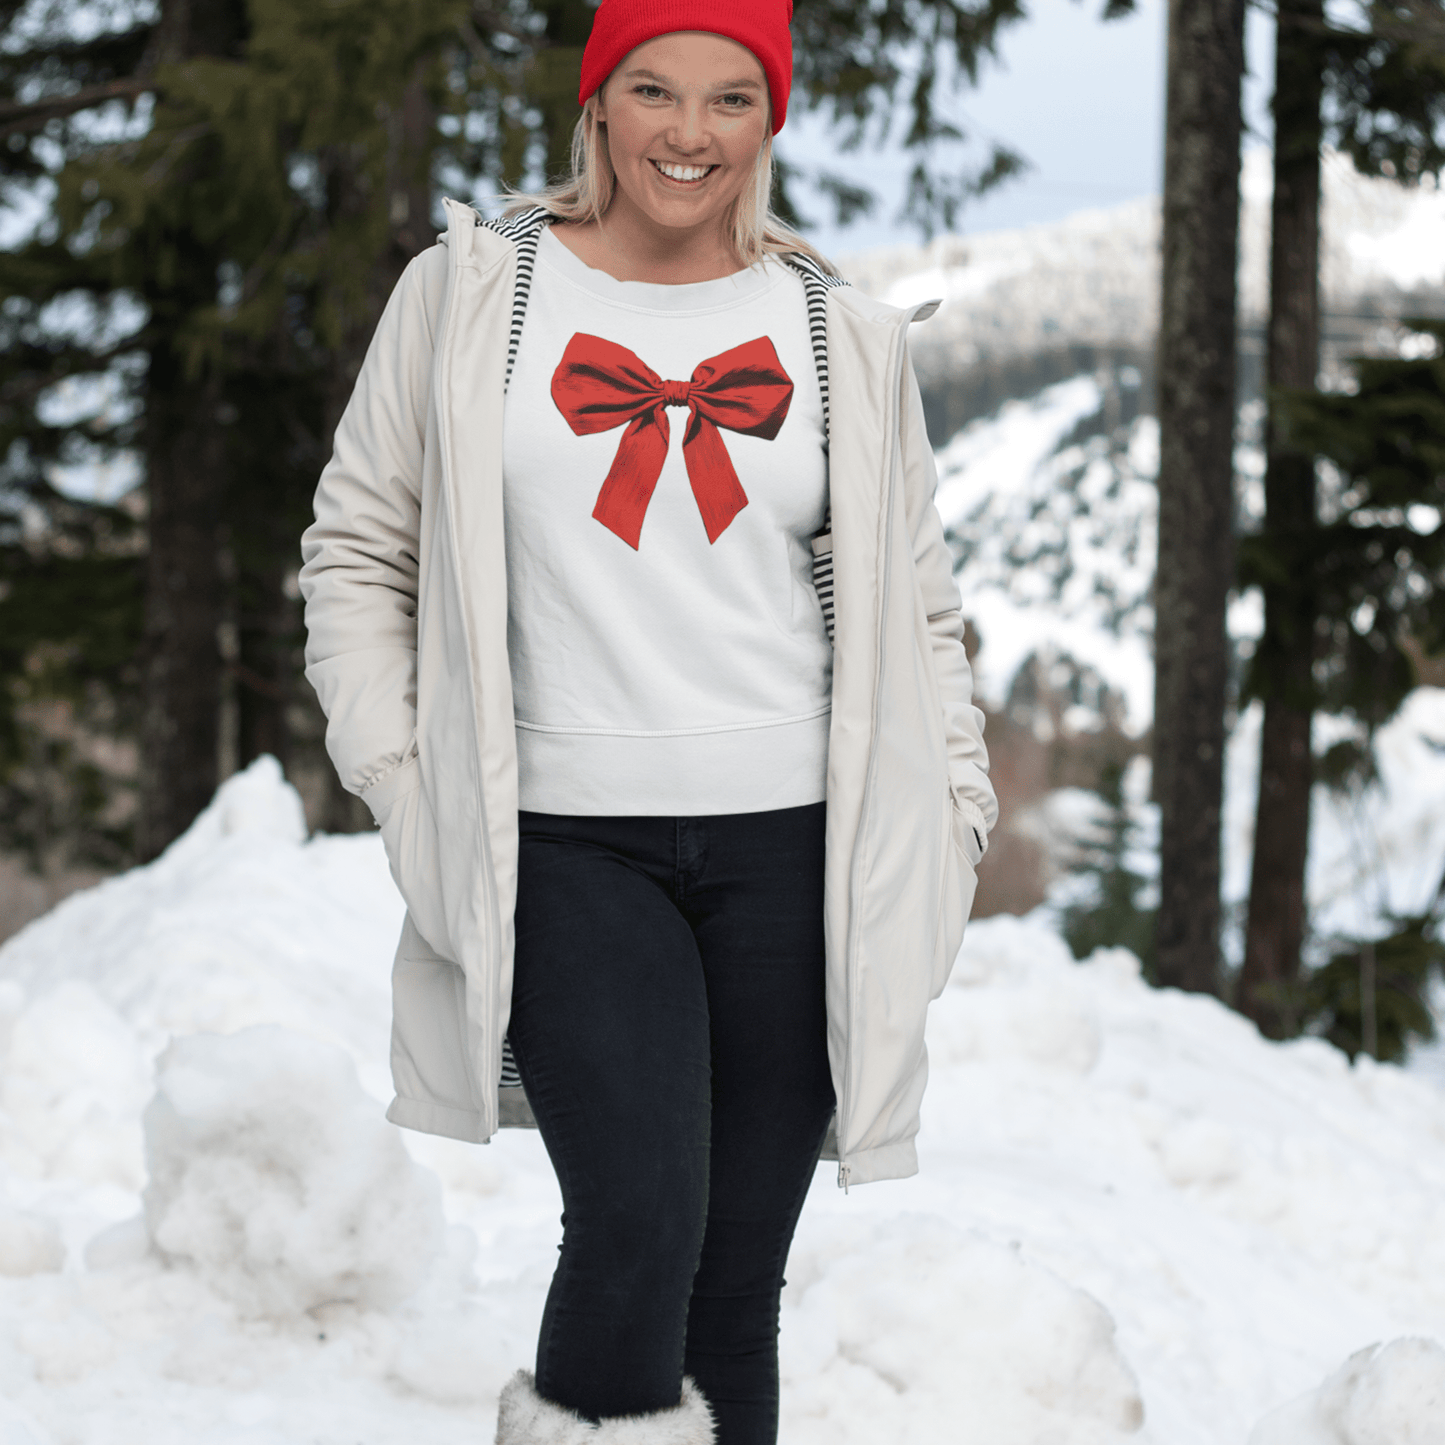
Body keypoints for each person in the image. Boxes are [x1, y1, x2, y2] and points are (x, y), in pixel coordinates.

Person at [298, 1, 998, 1440]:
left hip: (797, 849)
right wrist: (394, 765)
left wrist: (962, 814)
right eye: (656, 91)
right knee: (636, 1225)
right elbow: (360, 544)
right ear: (599, 101)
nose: (691, 134)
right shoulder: (469, 297)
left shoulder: (839, 333)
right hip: (561, 842)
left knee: (734, 1284)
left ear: (772, 118)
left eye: (733, 98)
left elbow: (923, 613)